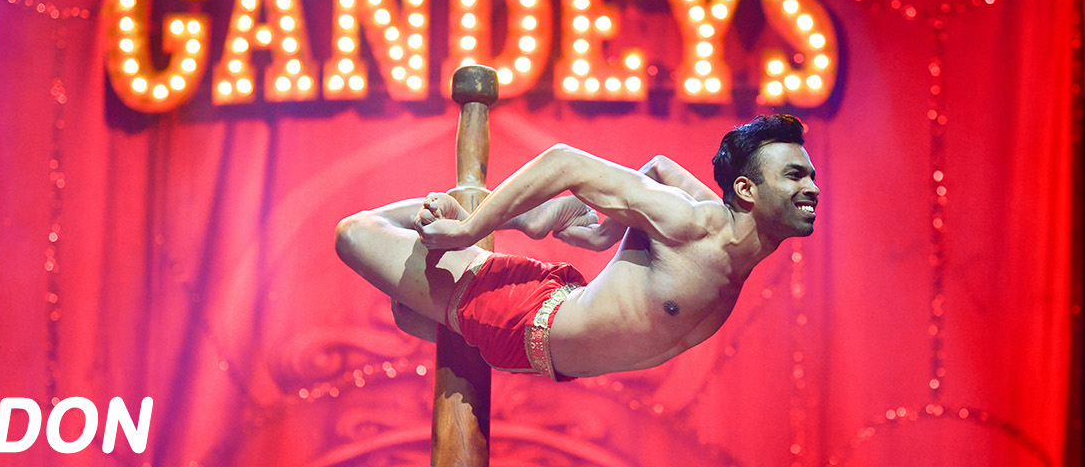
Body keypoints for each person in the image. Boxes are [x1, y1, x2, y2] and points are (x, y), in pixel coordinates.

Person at [334, 114, 818, 381]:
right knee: (354, 233)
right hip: (520, 316)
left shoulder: (729, 244)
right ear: (746, 190)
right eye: (795, 175)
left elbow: (660, 166)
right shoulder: (693, 223)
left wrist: (606, 234)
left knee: (407, 313)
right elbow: (564, 162)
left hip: (536, 348)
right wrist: (467, 231)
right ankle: (488, 217)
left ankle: (507, 219)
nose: (812, 188)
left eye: (812, 176)